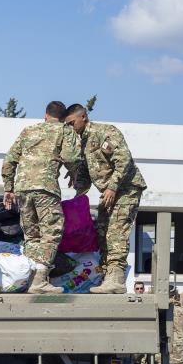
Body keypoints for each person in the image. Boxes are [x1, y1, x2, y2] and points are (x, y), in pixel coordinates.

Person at [63, 104, 146, 293]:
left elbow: (123, 160)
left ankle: (116, 280)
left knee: (116, 231)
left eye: (71, 123)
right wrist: (77, 185)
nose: (69, 128)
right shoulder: (83, 141)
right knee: (102, 231)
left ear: (83, 117)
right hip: (109, 193)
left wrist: (112, 186)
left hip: (126, 189)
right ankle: (107, 276)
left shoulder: (105, 132)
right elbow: (86, 169)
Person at [1, 101, 81, 294]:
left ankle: (29, 279)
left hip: (23, 188)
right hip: (45, 188)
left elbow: (9, 159)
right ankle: (40, 279)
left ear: (45, 115)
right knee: (51, 231)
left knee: (31, 234)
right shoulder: (64, 130)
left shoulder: (29, 130)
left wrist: (8, 188)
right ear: (62, 118)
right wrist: (73, 172)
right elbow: (71, 157)